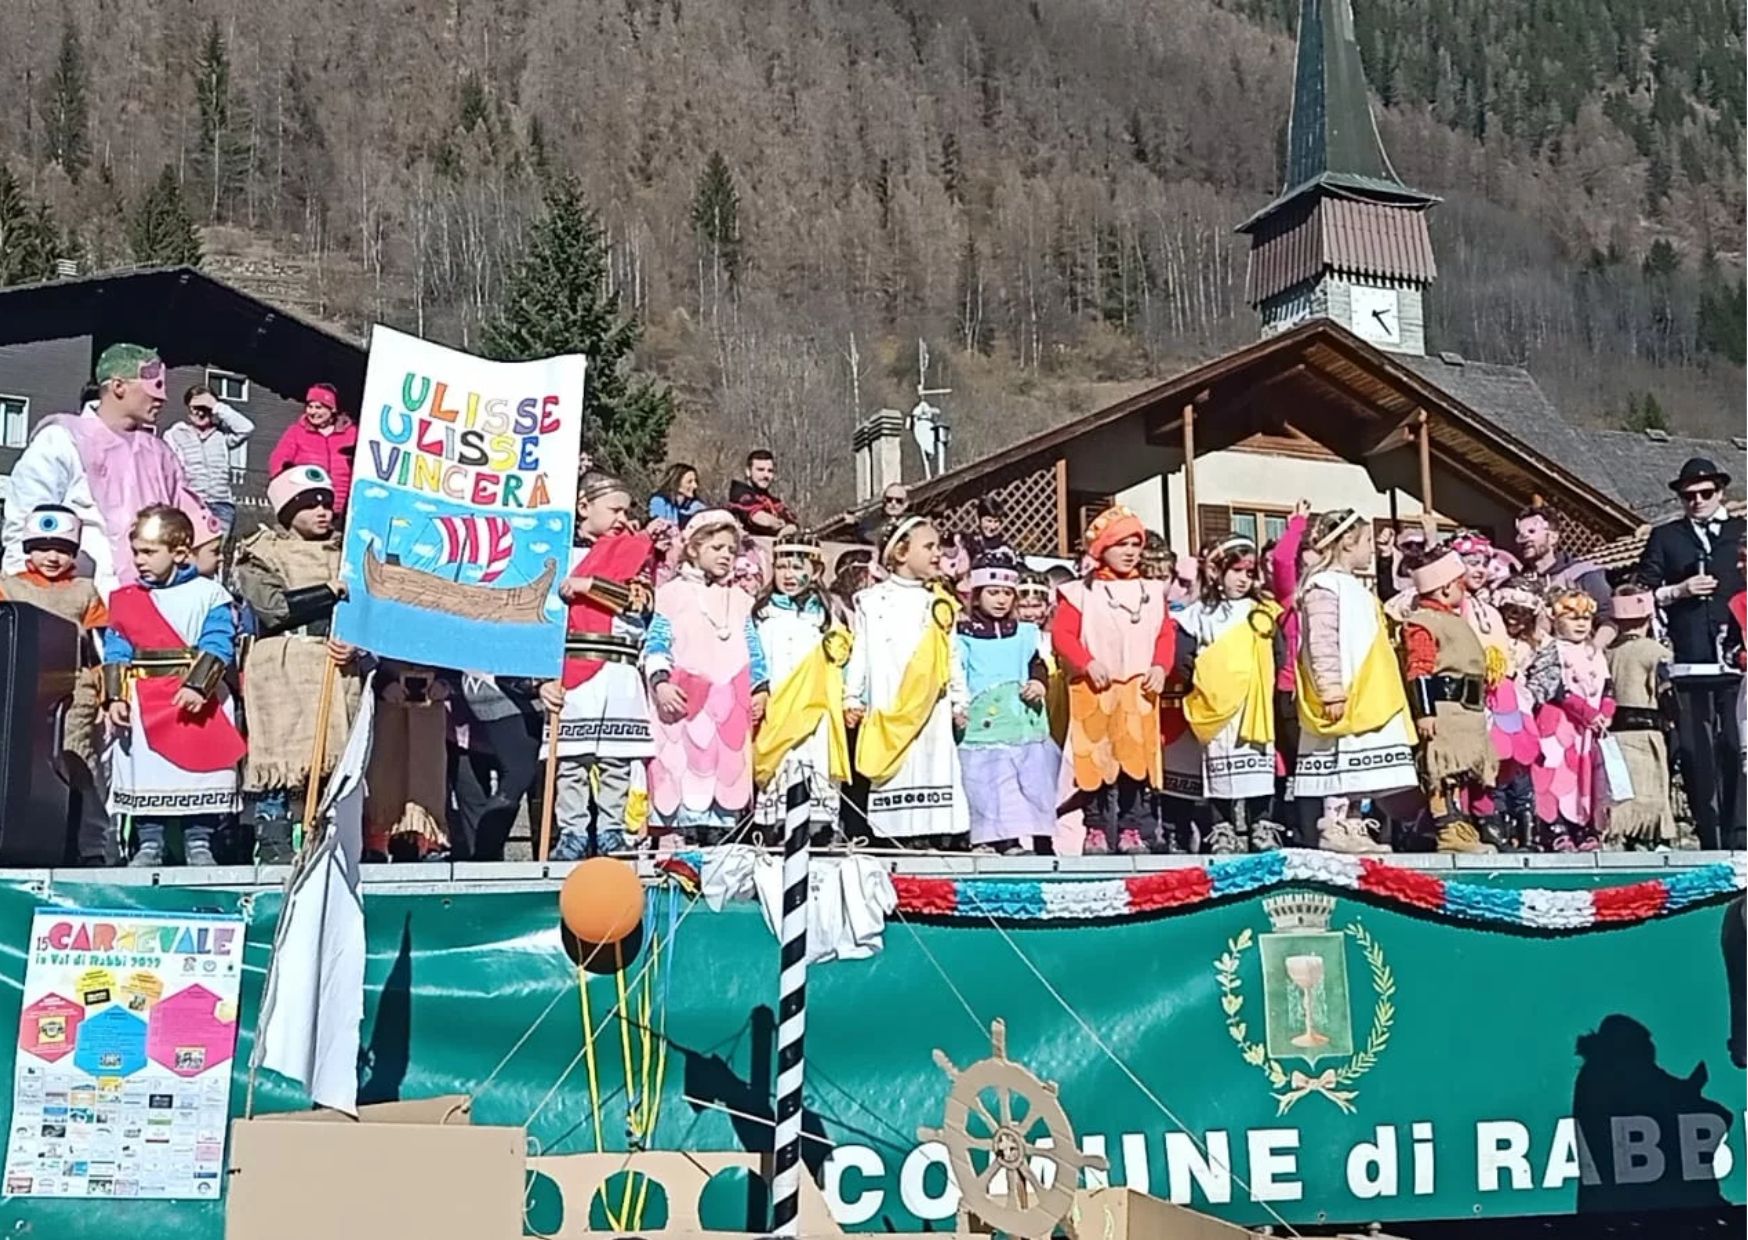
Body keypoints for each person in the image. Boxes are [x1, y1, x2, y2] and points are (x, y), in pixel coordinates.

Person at [229, 466, 361, 864]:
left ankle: (329, 836)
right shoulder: (261, 552)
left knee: (335, 754)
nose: (322, 511)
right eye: (309, 504)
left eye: (326, 503)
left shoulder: (348, 555)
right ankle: (274, 834)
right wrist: (329, 592)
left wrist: (356, 643)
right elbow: (272, 608)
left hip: (333, 663)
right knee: (281, 752)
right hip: (283, 664)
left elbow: (369, 609)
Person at [1, 343, 209, 597]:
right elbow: (25, 521)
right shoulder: (61, 439)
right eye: (153, 386)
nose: (162, 397)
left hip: (152, 603)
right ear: (119, 386)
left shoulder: (162, 454)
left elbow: (190, 528)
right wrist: (22, 597)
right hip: (80, 602)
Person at [101, 505, 245, 866]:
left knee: (201, 771)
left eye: (149, 552)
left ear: (179, 553)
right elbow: (117, 647)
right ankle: (150, 843)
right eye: (136, 552)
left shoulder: (210, 594)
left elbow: (218, 641)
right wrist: (115, 696)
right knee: (146, 774)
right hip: (144, 700)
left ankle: (200, 841)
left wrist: (198, 685)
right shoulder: (126, 598)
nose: (140, 560)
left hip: (196, 699)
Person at [540, 474, 656, 860]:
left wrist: (591, 586)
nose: (622, 518)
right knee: (571, 759)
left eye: (627, 510)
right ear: (584, 507)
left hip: (618, 663)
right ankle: (572, 831)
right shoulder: (559, 551)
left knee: (616, 758)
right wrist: (542, 679)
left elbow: (640, 602)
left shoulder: (635, 552)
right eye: (614, 509)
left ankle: (611, 829)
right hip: (573, 661)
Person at [1053, 506, 1179, 855]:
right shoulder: (1081, 592)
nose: (1130, 551)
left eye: (1135, 544)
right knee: (1095, 760)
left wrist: (1160, 667)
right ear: (1103, 548)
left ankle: (1131, 828)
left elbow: (1165, 635)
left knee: (1134, 761)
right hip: (1097, 689)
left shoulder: (1152, 592)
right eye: (1121, 544)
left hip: (1138, 689)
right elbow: (1063, 635)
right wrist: (1086, 662)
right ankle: (1095, 826)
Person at [1635, 457, 1745, 850]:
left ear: (1721, 492)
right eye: (1688, 496)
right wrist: (1677, 591)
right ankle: (1708, 835)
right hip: (1689, 659)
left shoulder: (1740, 531)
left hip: (1736, 659)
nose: (1697, 501)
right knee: (1697, 752)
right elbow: (1640, 591)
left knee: (1736, 745)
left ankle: (1739, 834)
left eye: (1705, 493)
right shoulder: (1666, 537)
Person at [1293, 508, 1418, 854]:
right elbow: (1321, 641)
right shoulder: (1323, 586)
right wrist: (1330, 689)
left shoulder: (1355, 587)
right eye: (1366, 541)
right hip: (1346, 689)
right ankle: (1333, 825)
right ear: (1348, 542)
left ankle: (1352, 822)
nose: (1371, 549)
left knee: (1358, 765)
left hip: (1367, 688)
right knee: (1340, 759)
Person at [843, 514, 969, 846]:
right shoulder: (871, 601)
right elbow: (861, 651)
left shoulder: (939, 603)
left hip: (931, 704)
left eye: (938, 547)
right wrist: (852, 697)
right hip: (890, 698)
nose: (937, 554)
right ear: (901, 552)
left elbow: (951, 654)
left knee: (929, 760)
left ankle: (930, 834)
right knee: (896, 765)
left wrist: (960, 700)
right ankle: (893, 836)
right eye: (929, 547)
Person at [644, 509, 769, 843]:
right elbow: (656, 642)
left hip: (728, 711)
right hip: (684, 706)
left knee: (726, 784)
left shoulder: (741, 600)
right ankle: (679, 845)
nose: (726, 555)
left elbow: (754, 650)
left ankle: (720, 843)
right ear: (694, 548)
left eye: (731, 549)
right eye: (717, 548)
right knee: (682, 780)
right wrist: (660, 682)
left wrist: (760, 688)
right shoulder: (671, 594)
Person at [1, 506, 112, 864]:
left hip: (73, 689)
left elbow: (100, 647)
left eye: (63, 549)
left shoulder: (84, 591)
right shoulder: (9, 586)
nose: (52, 556)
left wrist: (106, 693)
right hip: (18, 686)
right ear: (27, 548)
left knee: (77, 758)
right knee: (19, 762)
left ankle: (90, 845)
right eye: (43, 547)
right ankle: (24, 837)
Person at [1168, 536, 1283, 854]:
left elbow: (1277, 652)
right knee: (1218, 764)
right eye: (1236, 571)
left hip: (1251, 703)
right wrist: (1203, 681)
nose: (1243, 579)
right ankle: (1222, 827)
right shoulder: (1200, 614)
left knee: (1258, 762)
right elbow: (1183, 655)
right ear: (1216, 571)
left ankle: (1261, 823)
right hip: (1216, 703)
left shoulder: (1261, 610)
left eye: (1250, 572)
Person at [954, 550, 1059, 853]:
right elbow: (957, 672)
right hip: (982, 726)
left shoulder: (1025, 633)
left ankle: (1033, 839)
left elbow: (1036, 663)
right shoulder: (963, 634)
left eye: (1007, 593)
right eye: (993, 592)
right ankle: (993, 840)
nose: (1001, 600)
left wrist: (1038, 683)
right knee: (987, 785)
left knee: (1027, 784)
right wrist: (958, 707)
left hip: (1020, 722)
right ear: (977, 595)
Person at [1398, 548, 1500, 854]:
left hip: (1466, 711)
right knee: (1442, 771)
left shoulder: (1453, 619)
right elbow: (1419, 668)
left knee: (1458, 774)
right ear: (1444, 588)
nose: (1464, 590)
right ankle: (1447, 829)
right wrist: (1425, 711)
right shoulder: (1423, 622)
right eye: (1459, 584)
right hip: (1444, 708)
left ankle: (1452, 825)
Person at [751, 533, 850, 841]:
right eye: (782, 567)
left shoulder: (827, 616)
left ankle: (819, 832)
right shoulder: (762, 614)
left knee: (815, 765)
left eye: (797, 567)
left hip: (816, 712)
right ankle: (775, 833)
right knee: (780, 768)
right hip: (778, 706)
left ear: (816, 570)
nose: (789, 575)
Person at [1527, 587, 1613, 852]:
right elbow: (1557, 689)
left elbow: (1608, 688)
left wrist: (1606, 712)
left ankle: (1585, 826)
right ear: (1555, 620)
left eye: (1585, 618)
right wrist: (1588, 713)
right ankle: (1555, 826)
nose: (1580, 624)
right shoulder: (1552, 650)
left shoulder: (1595, 652)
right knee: (1556, 775)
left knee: (1585, 778)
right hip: (1559, 725)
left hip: (1588, 731)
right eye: (1573, 618)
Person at [1604, 585, 1675, 849]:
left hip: (1612, 734)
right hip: (1646, 732)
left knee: (1621, 791)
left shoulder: (1606, 652)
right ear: (1648, 616)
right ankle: (1648, 839)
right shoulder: (1656, 652)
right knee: (1648, 791)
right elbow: (1667, 694)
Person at [1487, 579, 1549, 851]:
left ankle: (1527, 830)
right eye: (1510, 611)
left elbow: (1547, 674)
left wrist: (1531, 696)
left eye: (1523, 613)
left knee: (1521, 766)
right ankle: (1498, 827)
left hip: (1520, 709)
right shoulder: (1489, 637)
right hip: (1493, 704)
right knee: (1497, 765)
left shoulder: (1537, 645)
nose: (1515, 618)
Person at [1515, 504, 1613, 646]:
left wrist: (1591, 652)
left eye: (1532, 531)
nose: (1525, 539)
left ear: (1553, 537)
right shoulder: (1519, 582)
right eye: (1520, 533)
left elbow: (1608, 621)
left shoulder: (1583, 574)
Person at [163, 384, 254, 536]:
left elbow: (246, 428)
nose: (200, 413)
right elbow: (169, 471)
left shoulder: (222, 435)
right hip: (191, 504)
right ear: (188, 409)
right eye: (195, 408)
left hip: (221, 505)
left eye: (204, 407)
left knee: (217, 548)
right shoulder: (175, 434)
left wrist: (216, 406)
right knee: (191, 546)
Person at [268, 383, 357, 517]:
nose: (313, 412)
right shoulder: (296, 432)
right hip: (310, 506)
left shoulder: (352, 433)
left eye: (318, 407)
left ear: (332, 409)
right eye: (310, 406)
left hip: (346, 506)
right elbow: (278, 461)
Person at [727, 449, 797, 534]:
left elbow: (792, 521)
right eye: (760, 470)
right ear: (748, 472)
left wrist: (789, 527)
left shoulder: (773, 501)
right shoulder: (740, 496)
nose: (766, 475)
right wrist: (777, 524)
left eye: (770, 471)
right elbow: (758, 517)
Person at [648, 462, 707, 528]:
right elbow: (658, 525)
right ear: (676, 483)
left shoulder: (696, 505)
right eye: (689, 482)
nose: (695, 486)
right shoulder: (659, 502)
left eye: (695, 481)